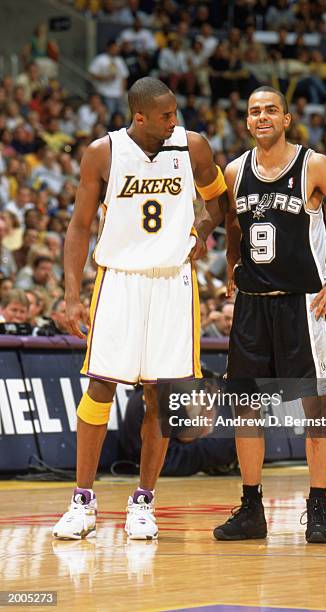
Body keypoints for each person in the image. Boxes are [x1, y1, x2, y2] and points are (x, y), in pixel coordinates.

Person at [52, 77, 227, 541]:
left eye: (176, 112)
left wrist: (202, 231)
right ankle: (82, 501)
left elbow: (219, 199)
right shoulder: (103, 152)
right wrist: (71, 294)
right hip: (119, 281)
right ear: (140, 116)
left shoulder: (193, 147)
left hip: (173, 282)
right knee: (101, 389)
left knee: (160, 398)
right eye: (166, 115)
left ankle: (143, 502)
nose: (175, 120)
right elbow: (79, 226)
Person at [204, 86, 326, 543]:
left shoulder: (313, 165)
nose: (261, 117)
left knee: (314, 407)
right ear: (247, 121)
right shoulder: (235, 171)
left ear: (286, 118)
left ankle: (318, 506)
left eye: (270, 110)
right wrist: (234, 263)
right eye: (254, 111)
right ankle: (252, 508)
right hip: (252, 305)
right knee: (246, 408)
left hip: (303, 301)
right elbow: (230, 222)